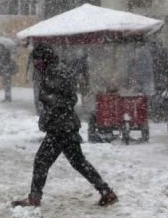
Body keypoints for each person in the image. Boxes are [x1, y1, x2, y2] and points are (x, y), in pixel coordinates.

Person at [12, 44, 118, 208]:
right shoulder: (53, 71)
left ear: (44, 59)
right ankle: (106, 191)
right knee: (78, 162)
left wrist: (49, 108)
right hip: (63, 125)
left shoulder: (56, 73)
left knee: (41, 161)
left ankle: (34, 198)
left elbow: (66, 99)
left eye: (37, 60)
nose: (35, 64)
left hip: (60, 127)